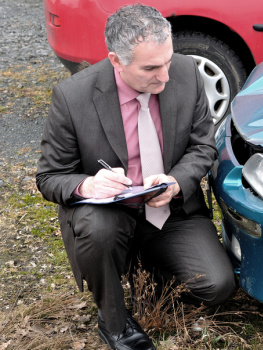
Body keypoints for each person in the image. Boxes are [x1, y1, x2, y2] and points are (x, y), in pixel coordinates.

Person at [36, 4, 235, 350]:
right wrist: (88, 185)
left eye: (168, 61)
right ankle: (113, 322)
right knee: (98, 229)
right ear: (116, 61)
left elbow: (203, 147)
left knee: (217, 286)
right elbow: (50, 176)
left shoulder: (186, 72)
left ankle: (146, 264)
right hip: (108, 214)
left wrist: (176, 182)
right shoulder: (73, 97)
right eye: (151, 68)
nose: (165, 76)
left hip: (172, 211)